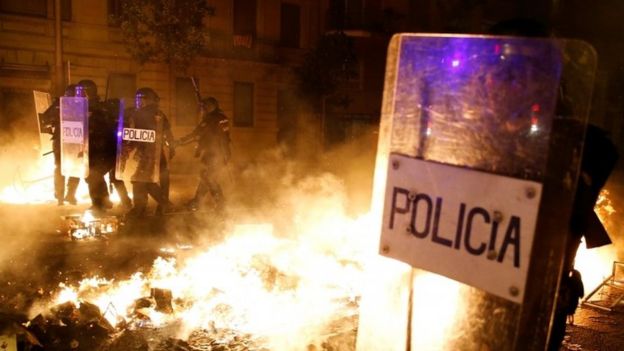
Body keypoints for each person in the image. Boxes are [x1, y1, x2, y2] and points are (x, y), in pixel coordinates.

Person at [77, 79, 132, 212]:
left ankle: (101, 203)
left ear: (88, 92)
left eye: (81, 92)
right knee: (93, 176)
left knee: (96, 175)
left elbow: (105, 128)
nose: (78, 95)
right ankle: (105, 202)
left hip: (106, 149)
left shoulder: (101, 108)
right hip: (92, 150)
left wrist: (92, 117)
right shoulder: (79, 107)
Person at [123, 87, 175, 217]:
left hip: (146, 154)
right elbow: (168, 133)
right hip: (157, 153)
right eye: (138, 99)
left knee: (139, 180)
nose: (139, 101)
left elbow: (134, 135)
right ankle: (157, 205)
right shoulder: (159, 113)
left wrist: (128, 148)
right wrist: (172, 148)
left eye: (141, 98)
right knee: (150, 180)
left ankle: (152, 206)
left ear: (147, 100)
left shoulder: (138, 114)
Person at [176, 96, 231, 212]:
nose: (203, 109)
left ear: (212, 106)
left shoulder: (211, 119)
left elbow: (197, 134)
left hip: (214, 154)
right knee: (206, 177)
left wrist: (180, 142)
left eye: (205, 107)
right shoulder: (221, 117)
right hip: (217, 153)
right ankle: (197, 202)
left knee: (209, 178)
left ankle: (220, 203)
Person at [40, 84, 81, 205]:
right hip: (69, 141)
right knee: (70, 167)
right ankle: (66, 195)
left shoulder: (78, 105)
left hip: (69, 140)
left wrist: (52, 124)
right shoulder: (64, 104)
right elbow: (45, 119)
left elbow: (45, 119)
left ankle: (65, 196)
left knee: (69, 168)